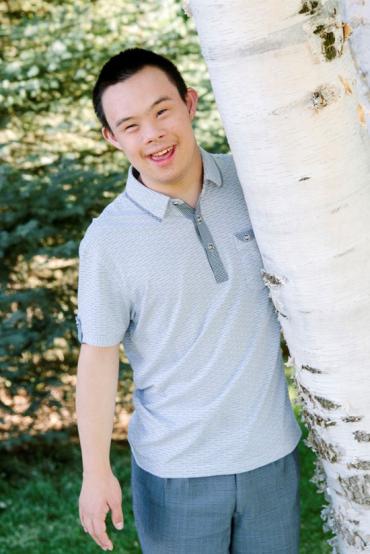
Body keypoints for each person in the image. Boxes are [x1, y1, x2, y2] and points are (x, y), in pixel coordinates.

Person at [76, 47, 302, 554]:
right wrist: (95, 472)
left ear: (190, 103)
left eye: (162, 111)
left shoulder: (255, 184)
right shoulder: (107, 242)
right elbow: (97, 358)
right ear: (112, 138)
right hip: (176, 474)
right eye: (130, 125)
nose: (152, 133)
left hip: (272, 458)